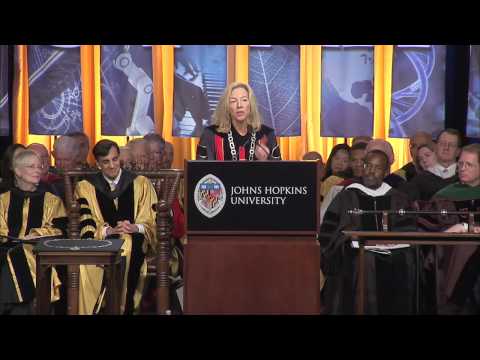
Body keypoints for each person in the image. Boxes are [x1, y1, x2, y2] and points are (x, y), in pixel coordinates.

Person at [74, 140, 178, 315]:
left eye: (115, 159)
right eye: (106, 162)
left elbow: (152, 219)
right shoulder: (85, 187)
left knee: (127, 244)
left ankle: (123, 308)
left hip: (135, 239)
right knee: (85, 265)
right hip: (101, 241)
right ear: (98, 164)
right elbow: (86, 223)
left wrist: (135, 227)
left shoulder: (140, 183)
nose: (112, 165)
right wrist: (108, 231)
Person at [319, 150, 417, 314]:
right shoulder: (346, 197)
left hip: (393, 257)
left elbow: (408, 231)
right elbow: (328, 235)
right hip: (356, 258)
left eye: (377, 168)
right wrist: (347, 243)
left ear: (386, 172)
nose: (371, 171)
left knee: (406, 258)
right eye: (368, 165)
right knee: (363, 260)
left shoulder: (398, 198)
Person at [0, 150, 68, 314]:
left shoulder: (52, 200)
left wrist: (36, 233)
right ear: (18, 171)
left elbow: (60, 229)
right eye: (32, 167)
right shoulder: (3, 200)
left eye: (40, 166)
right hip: (6, 249)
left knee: (24, 253)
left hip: (39, 250)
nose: (38, 170)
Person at [428, 144, 480, 314]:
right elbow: (429, 226)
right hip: (450, 250)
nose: (462, 169)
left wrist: (467, 227)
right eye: (460, 164)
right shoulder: (444, 195)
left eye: (469, 165)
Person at [196, 82, 281, 161]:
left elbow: (280, 173)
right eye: (233, 101)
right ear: (227, 106)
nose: (239, 105)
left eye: (244, 100)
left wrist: (265, 162)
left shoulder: (267, 134)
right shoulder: (210, 134)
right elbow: (200, 173)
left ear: (251, 104)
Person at [399, 129, 462, 202]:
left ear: (458, 151)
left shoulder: (467, 178)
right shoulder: (419, 180)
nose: (446, 148)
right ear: (436, 147)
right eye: (442, 144)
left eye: (451, 145)